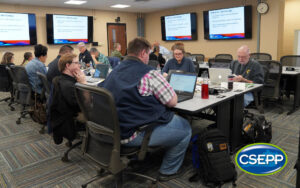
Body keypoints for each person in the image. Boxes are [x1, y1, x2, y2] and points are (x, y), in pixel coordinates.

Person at [100, 37, 191, 181]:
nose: (149, 57)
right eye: (148, 54)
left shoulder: (115, 70)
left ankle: (142, 157)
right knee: (185, 128)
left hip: (112, 130)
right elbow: (173, 101)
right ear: (143, 53)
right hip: (133, 134)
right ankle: (168, 171)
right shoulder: (149, 73)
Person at [50, 53, 87, 144]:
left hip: (64, 114)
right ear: (67, 65)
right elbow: (84, 105)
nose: (79, 65)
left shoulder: (61, 79)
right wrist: (84, 83)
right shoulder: (68, 85)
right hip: (72, 115)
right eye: (77, 63)